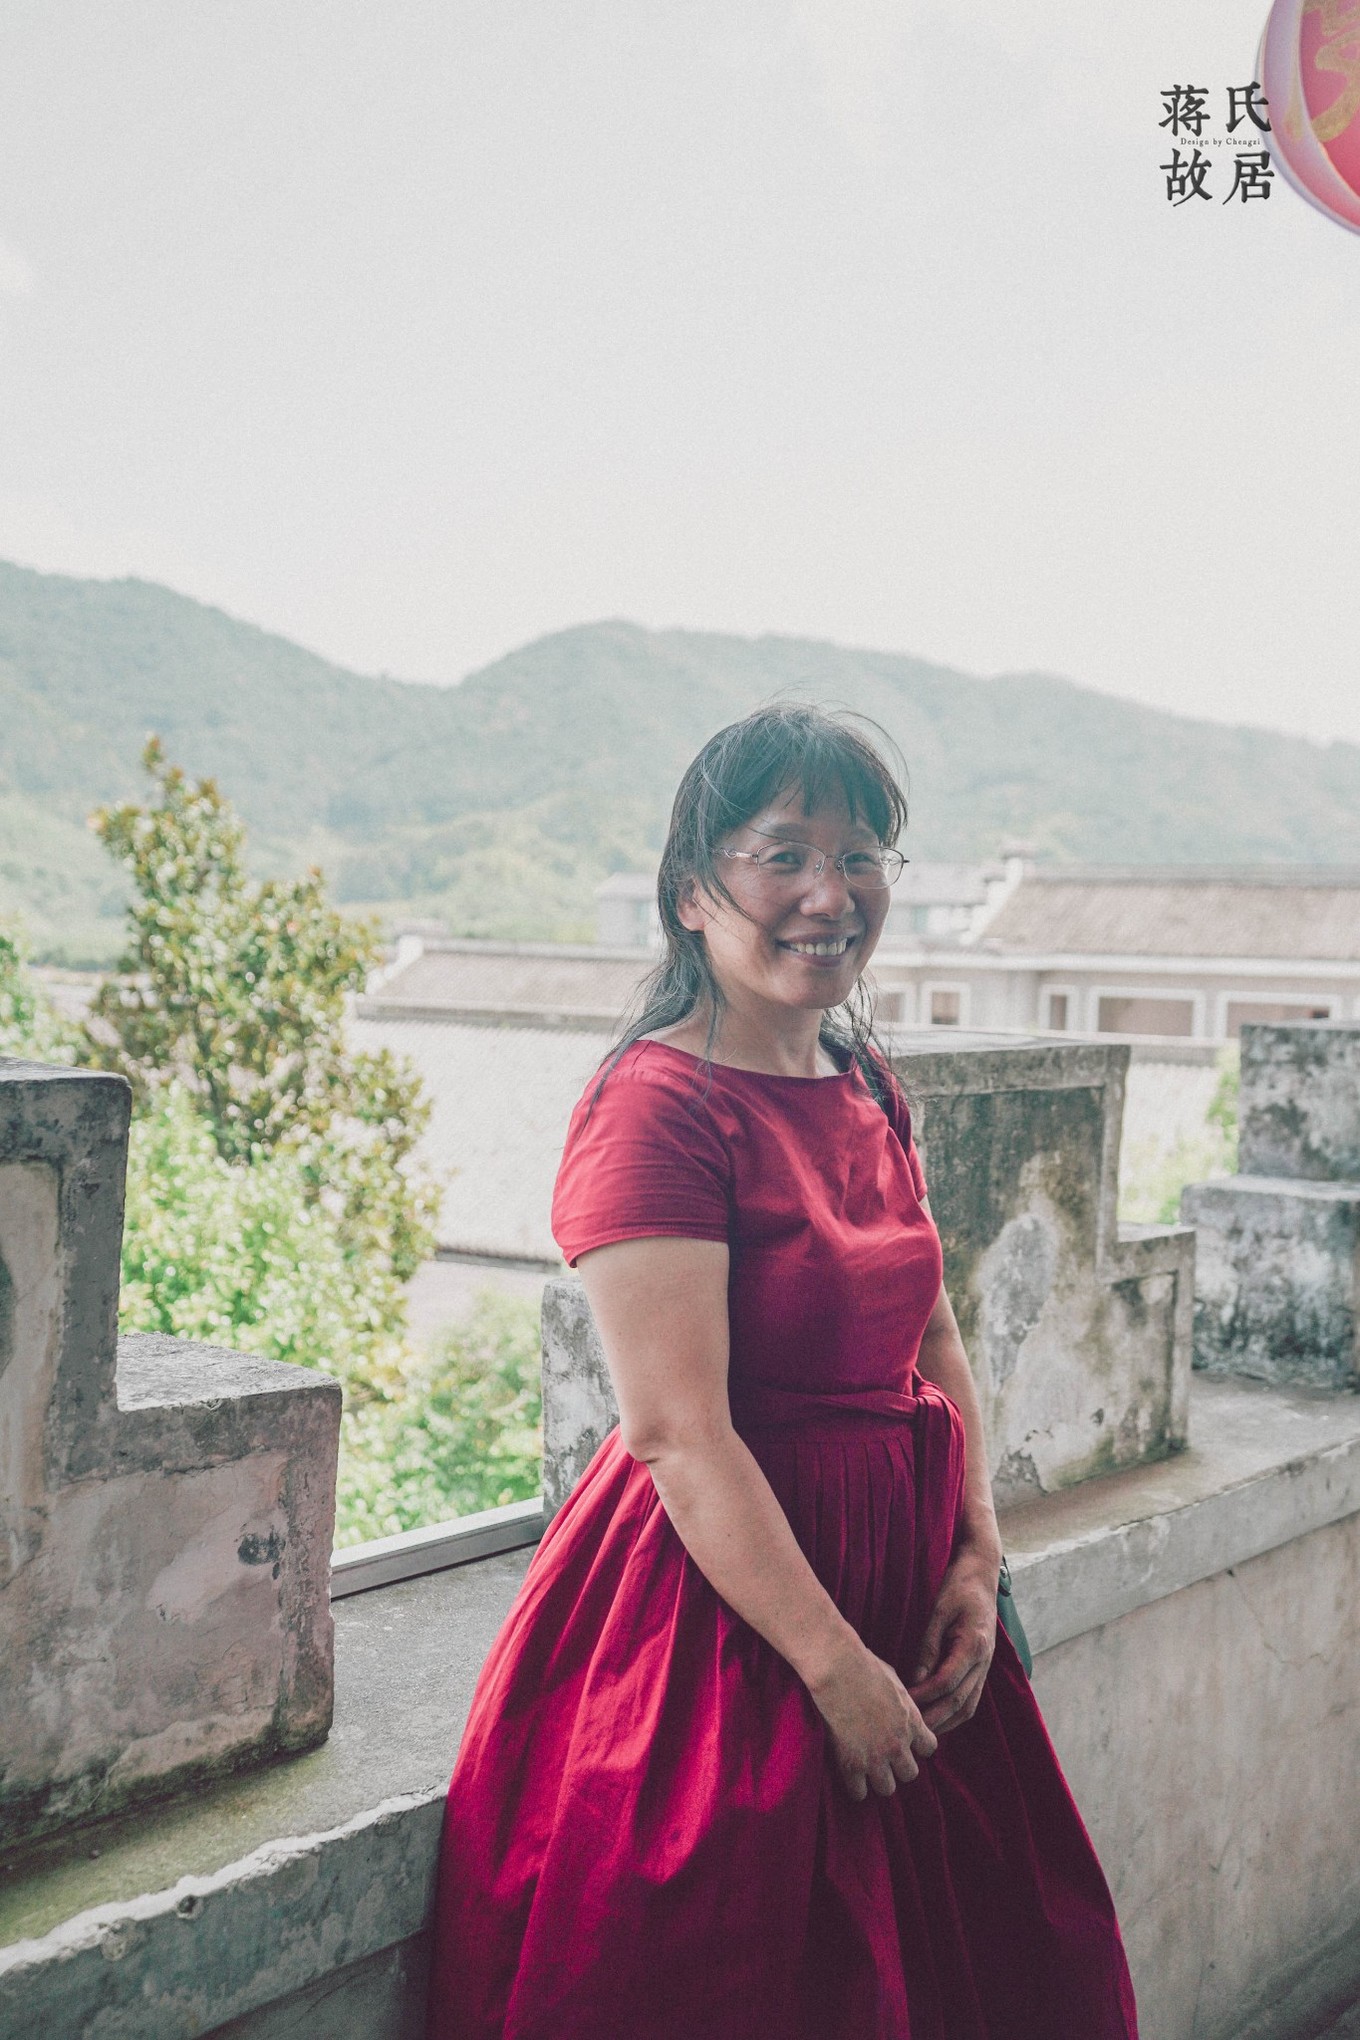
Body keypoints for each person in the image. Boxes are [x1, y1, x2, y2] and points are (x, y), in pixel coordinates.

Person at [425, 704, 1138, 2040]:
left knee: (1006, 1968)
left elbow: (931, 1333)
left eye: (861, 855)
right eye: (785, 855)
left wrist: (976, 1558)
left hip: (902, 1586)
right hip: (735, 1617)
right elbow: (679, 1434)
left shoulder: (862, 1078)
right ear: (693, 892)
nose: (830, 893)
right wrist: (835, 1671)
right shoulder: (656, 1110)